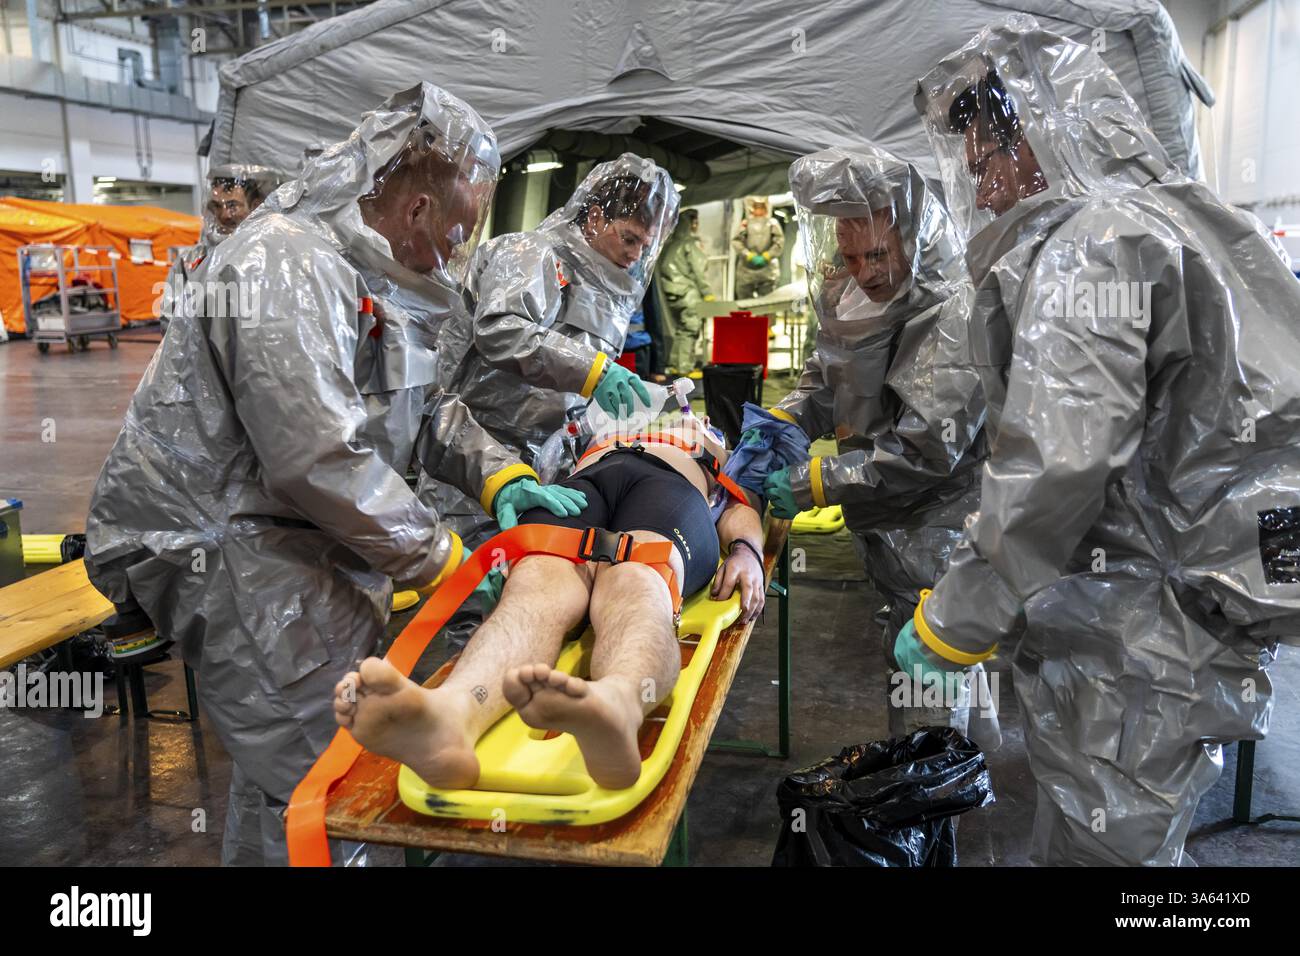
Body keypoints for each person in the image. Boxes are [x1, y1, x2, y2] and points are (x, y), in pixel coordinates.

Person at [84, 83, 584, 865]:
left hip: (291, 533)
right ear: (417, 208)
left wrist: (498, 478)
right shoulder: (285, 261)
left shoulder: (371, 272)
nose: (458, 253)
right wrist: (443, 559)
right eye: (459, 231)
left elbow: (418, 409)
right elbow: (314, 455)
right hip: (223, 542)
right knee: (330, 768)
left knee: (293, 765)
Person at [898, 15, 1300, 865]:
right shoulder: (1180, 218)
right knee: (1130, 834)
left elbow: (1058, 459)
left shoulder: (1094, 245)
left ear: (1046, 131)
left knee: (1110, 845)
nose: (986, 186)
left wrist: (954, 619)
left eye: (989, 159)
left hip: (1146, 627)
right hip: (1192, 603)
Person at [333, 415, 766, 791]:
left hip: (667, 488)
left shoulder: (714, 448)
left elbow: (742, 506)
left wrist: (747, 549)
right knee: (534, 586)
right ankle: (450, 718)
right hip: (581, 487)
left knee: (638, 577)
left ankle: (618, 701)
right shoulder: (604, 427)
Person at [754, 144, 989, 742]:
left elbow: (927, 451)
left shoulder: (952, 313)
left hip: (940, 522)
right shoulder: (845, 295)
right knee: (906, 658)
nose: (865, 271)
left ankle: (931, 807)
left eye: (878, 254)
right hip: (879, 517)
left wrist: (817, 482)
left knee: (934, 674)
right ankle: (929, 779)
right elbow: (824, 377)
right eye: (850, 256)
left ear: (913, 233)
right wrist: (784, 422)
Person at [424, 155, 679, 591]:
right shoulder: (529, 253)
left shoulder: (603, 286)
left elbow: (563, 392)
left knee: (527, 590)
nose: (636, 254)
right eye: (629, 237)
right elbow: (500, 330)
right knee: (475, 601)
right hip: (474, 456)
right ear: (596, 217)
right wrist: (594, 372)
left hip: (544, 463)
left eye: (644, 244)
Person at [158, 164, 283, 336]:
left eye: (233, 205)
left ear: (255, 206)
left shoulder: (275, 257)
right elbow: (170, 319)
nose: (224, 215)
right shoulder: (192, 261)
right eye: (216, 206)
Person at [656, 207, 715, 374]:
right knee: (690, 328)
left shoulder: (670, 245)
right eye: (694, 222)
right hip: (688, 292)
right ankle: (685, 367)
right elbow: (698, 271)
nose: (696, 226)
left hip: (672, 293)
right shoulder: (690, 244)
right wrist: (707, 292)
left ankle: (674, 364)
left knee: (681, 329)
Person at [731, 195, 783, 299]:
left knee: (768, 302)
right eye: (756, 207)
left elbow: (779, 241)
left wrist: (768, 255)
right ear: (751, 208)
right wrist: (748, 255)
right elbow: (736, 241)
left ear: (766, 208)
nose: (759, 210)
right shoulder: (745, 224)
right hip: (746, 270)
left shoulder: (772, 223)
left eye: (761, 207)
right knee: (745, 302)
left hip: (767, 270)